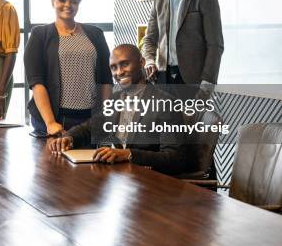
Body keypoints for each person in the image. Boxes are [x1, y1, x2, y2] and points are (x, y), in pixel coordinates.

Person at [48, 44, 187, 175]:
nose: (119, 72)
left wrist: (128, 154)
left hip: (151, 182)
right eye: (114, 67)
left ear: (142, 62)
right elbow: (89, 128)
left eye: (125, 64)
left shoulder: (166, 102)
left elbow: (175, 158)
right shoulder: (115, 99)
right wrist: (68, 138)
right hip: (118, 177)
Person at [24, 0, 113, 137]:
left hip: (89, 119)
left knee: (92, 162)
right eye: (62, 0)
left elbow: (106, 80)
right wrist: (50, 123)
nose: (68, 5)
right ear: (53, 2)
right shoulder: (40, 35)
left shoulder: (96, 34)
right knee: (51, 163)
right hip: (53, 119)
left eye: (74, 1)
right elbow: (37, 83)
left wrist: (104, 117)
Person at [143, 0, 224, 86]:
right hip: (162, 78)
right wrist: (150, 60)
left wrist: (208, 83)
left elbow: (215, 45)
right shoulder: (159, 1)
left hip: (194, 79)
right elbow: (150, 39)